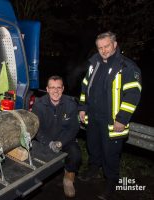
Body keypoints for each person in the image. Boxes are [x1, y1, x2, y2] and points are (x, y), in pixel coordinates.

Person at [78, 31, 142, 199]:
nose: (104, 50)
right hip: (93, 118)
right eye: (100, 47)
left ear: (114, 44)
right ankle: (93, 170)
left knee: (110, 155)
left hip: (113, 122)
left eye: (106, 46)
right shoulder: (94, 63)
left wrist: (122, 119)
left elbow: (133, 96)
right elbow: (85, 86)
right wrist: (82, 108)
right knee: (93, 148)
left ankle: (111, 183)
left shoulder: (127, 67)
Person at [32, 75, 81, 198]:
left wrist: (60, 143)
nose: (55, 91)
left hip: (64, 140)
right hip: (45, 140)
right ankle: (35, 181)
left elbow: (73, 129)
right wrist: (49, 143)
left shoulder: (71, 104)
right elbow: (37, 129)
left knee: (76, 154)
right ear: (47, 89)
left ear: (63, 89)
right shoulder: (39, 105)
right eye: (52, 88)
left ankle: (68, 179)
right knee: (33, 153)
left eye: (58, 87)